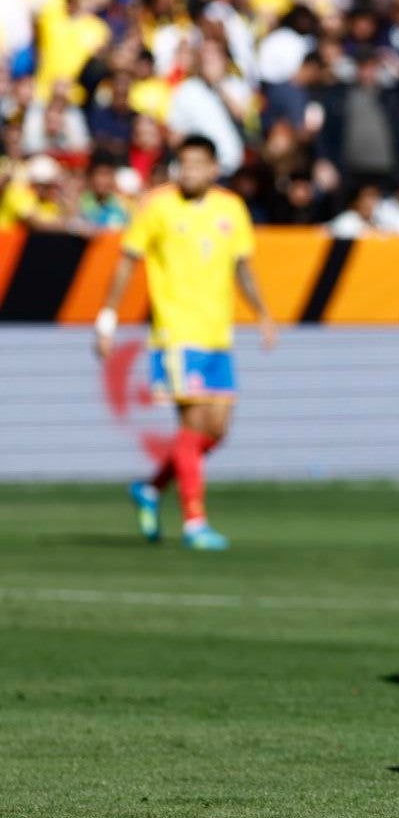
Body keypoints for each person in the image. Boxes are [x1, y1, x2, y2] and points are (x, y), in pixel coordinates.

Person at [93, 135, 276, 552]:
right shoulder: (157, 206)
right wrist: (107, 320)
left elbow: (242, 267)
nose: (189, 172)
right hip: (175, 333)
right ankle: (195, 521)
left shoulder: (230, 209)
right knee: (193, 426)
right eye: (183, 164)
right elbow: (126, 262)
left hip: (218, 335)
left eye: (198, 164)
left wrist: (263, 314)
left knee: (217, 431)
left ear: (214, 169)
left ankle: (151, 487)